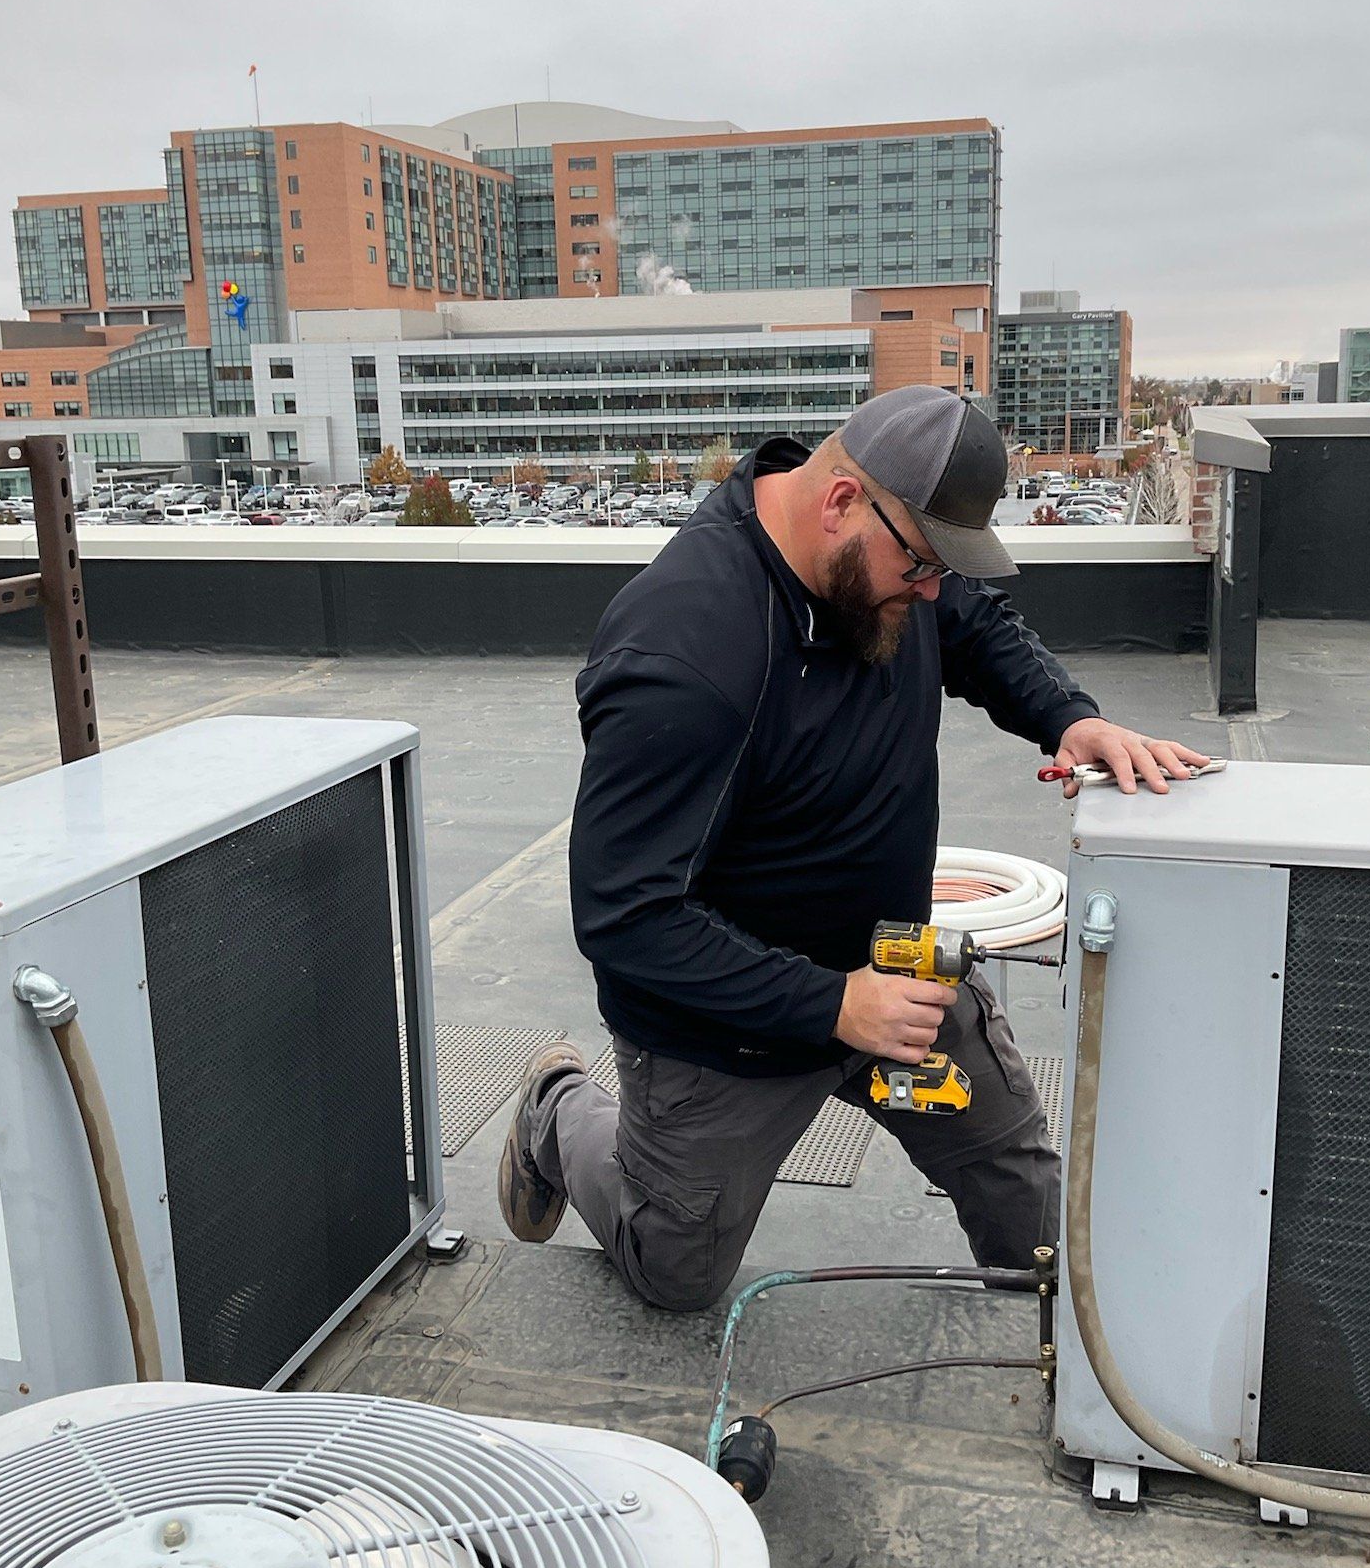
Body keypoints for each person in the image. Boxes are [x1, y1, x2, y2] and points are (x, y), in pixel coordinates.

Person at [499, 386, 1207, 1309]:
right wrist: (835, 1003)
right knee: (673, 1273)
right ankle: (558, 1107)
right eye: (918, 566)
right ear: (839, 504)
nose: (928, 593)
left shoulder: (891, 557)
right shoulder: (685, 654)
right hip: (729, 1035)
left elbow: (976, 624)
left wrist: (1068, 719)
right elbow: (624, 915)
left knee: (1037, 1229)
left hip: (895, 977)